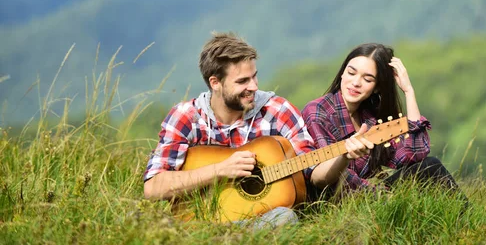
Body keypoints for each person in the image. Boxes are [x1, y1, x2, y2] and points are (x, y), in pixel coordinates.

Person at [143, 32, 370, 227]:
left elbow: (314, 174)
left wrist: (343, 155)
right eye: (242, 81)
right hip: (199, 223)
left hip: (262, 222)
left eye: (254, 76)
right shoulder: (186, 117)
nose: (253, 86)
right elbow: (153, 188)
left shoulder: (278, 110)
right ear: (215, 83)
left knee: (285, 218)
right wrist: (219, 171)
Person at [302, 43, 462, 197]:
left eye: (368, 79)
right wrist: (383, 195)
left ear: (377, 87)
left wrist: (408, 91)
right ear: (342, 73)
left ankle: (468, 224)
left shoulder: (370, 114)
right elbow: (331, 179)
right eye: (351, 73)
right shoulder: (318, 112)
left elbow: (416, 153)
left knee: (429, 167)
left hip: (371, 195)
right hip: (339, 200)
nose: (356, 83)